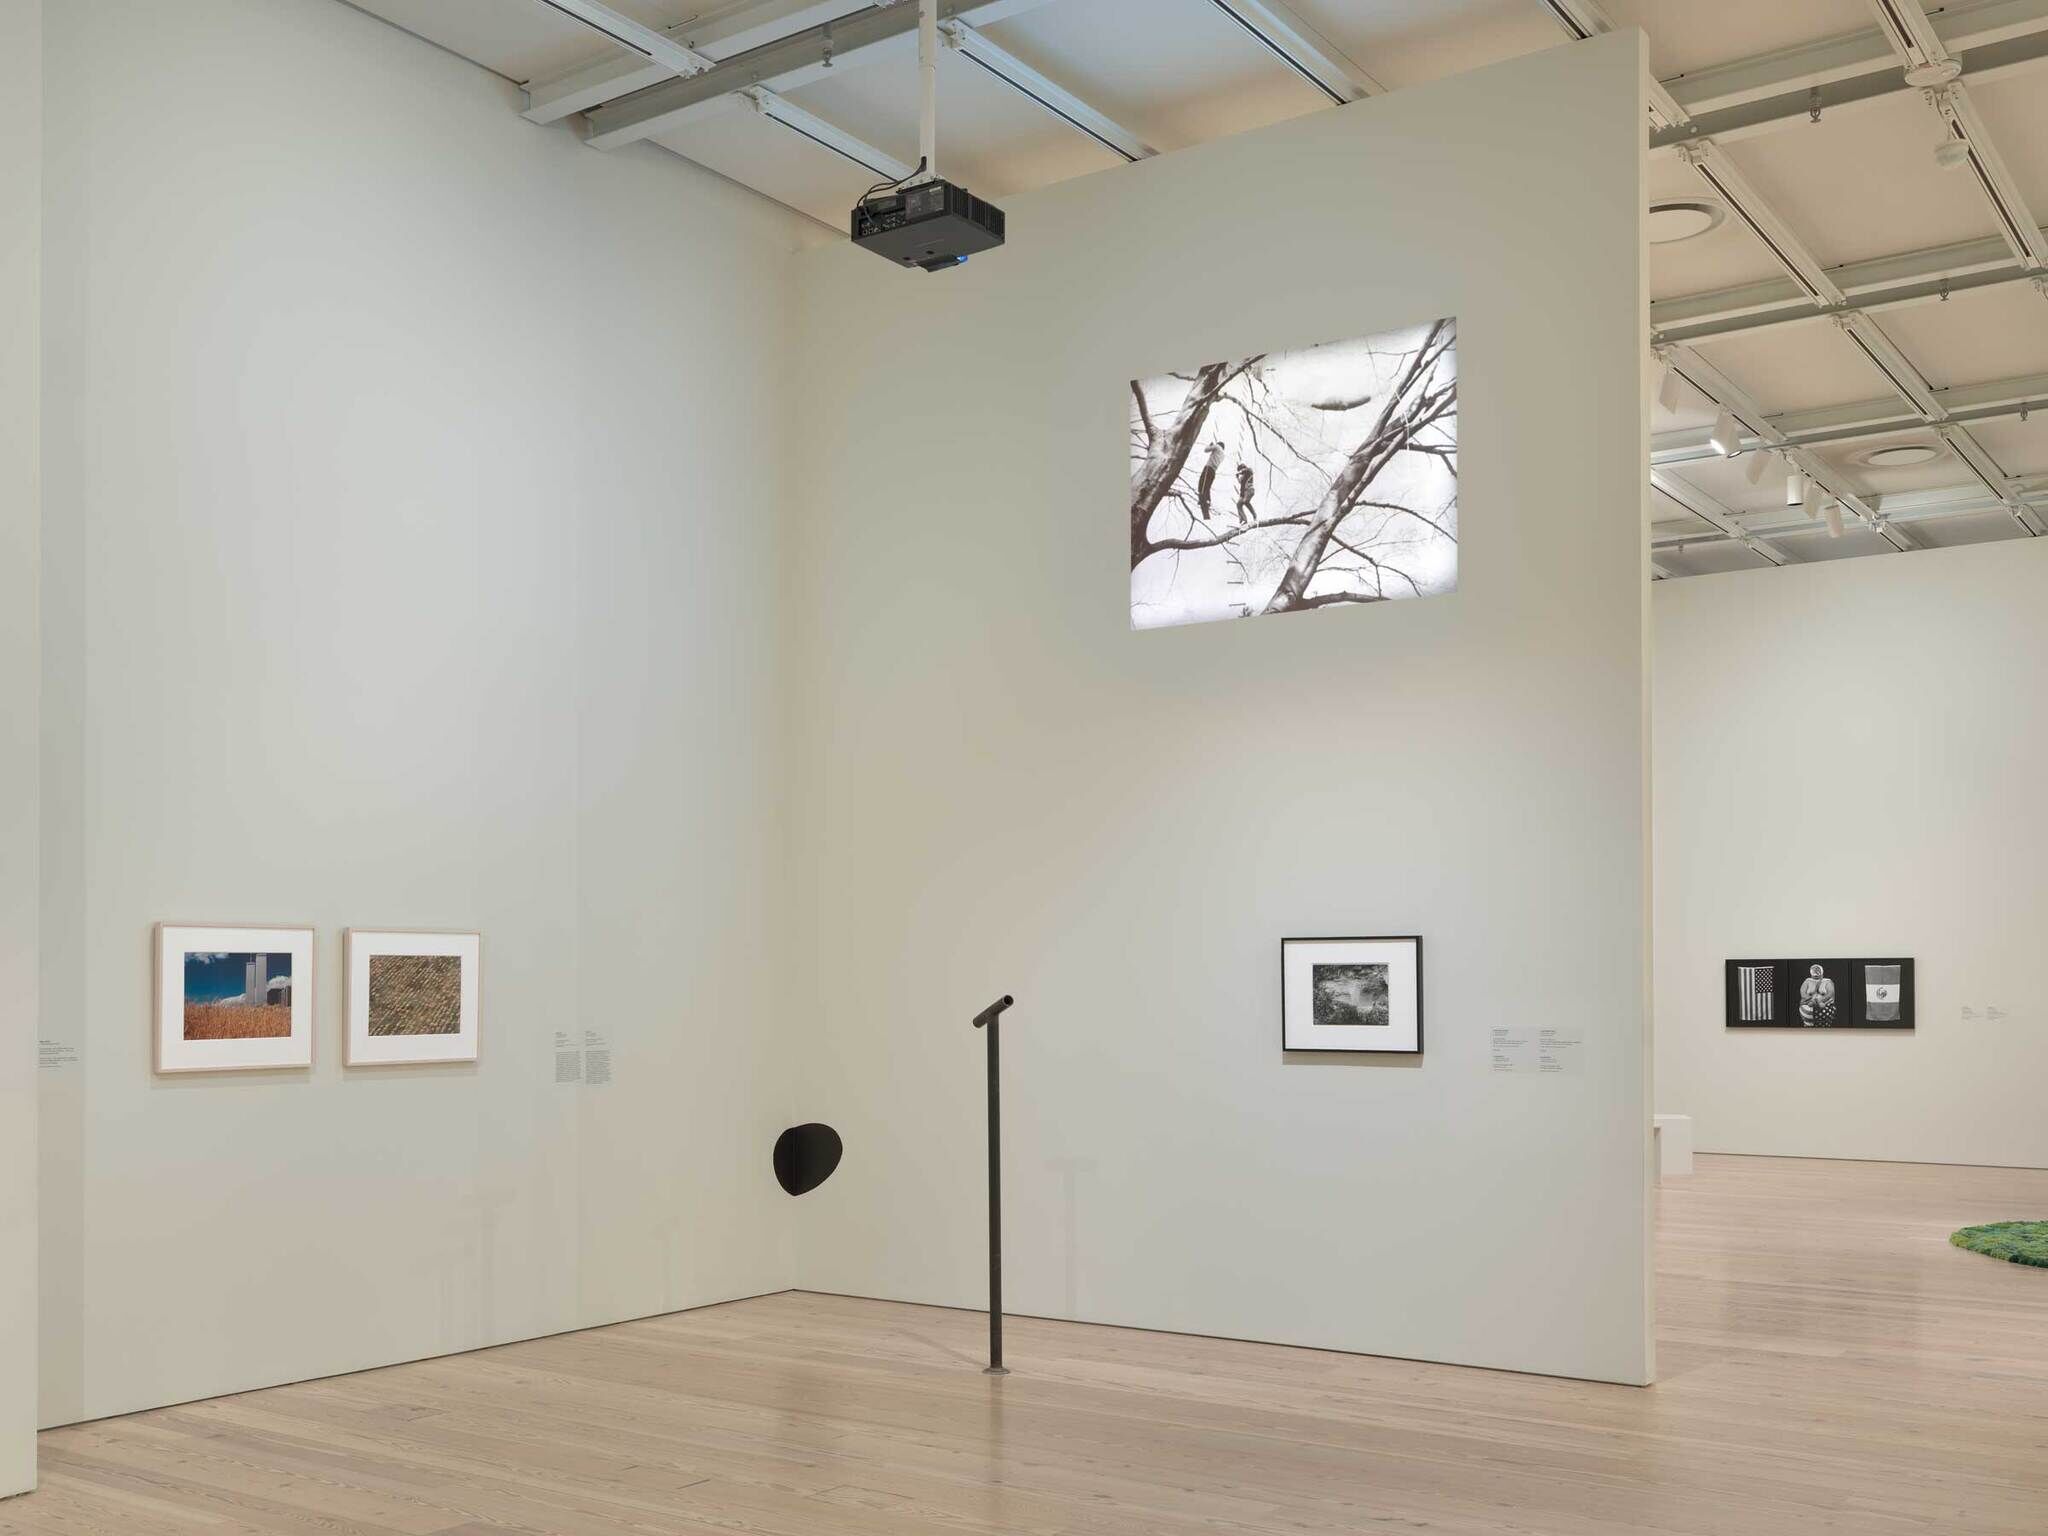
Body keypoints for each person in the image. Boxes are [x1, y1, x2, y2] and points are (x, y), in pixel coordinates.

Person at [1195, 441, 1225, 521]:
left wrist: (1211, 445)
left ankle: (1203, 499)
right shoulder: (1222, 455)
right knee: (1207, 487)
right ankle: (1208, 500)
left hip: (1208, 468)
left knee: (1202, 485)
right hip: (1213, 471)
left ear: (1219, 444)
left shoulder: (1217, 447)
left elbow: (1206, 450)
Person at [1234, 461, 1256, 526]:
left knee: (1245, 501)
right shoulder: (1243, 477)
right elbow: (1240, 482)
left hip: (1249, 490)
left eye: (1241, 470)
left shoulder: (1249, 471)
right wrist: (1237, 477)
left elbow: (1247, 470)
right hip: (1244, 493)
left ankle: (1254, 514)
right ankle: (1243, 519)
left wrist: (1240, 472)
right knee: (1238, 504)